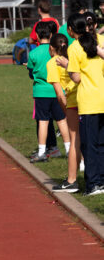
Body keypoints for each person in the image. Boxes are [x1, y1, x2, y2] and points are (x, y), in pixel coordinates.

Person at [67, 13, 104, 196]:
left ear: (71, 30)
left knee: (89, 144)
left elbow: (75, 75)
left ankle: (93, 184)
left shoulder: (74, 47)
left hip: (88, 100)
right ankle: (101, 180)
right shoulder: (96, 44)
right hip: (102, 97)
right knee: (101, 142)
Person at [27, 22, 70, 163]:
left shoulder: (33, 53)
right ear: (51, 35)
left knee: (43, 122)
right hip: (58, 91)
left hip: (41, 93)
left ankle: (41, 151)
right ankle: (69, 149)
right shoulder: (58, 53)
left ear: (37, 36)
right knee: (62, 121)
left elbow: (31, 74)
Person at [47, 32, 80, 192]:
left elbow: (59, 93)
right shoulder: (72, 56)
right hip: (85, 96)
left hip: (71, 101)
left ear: (52, 48)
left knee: (75, 138)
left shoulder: (52, 63)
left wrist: (65, 111)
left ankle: (72, 179)